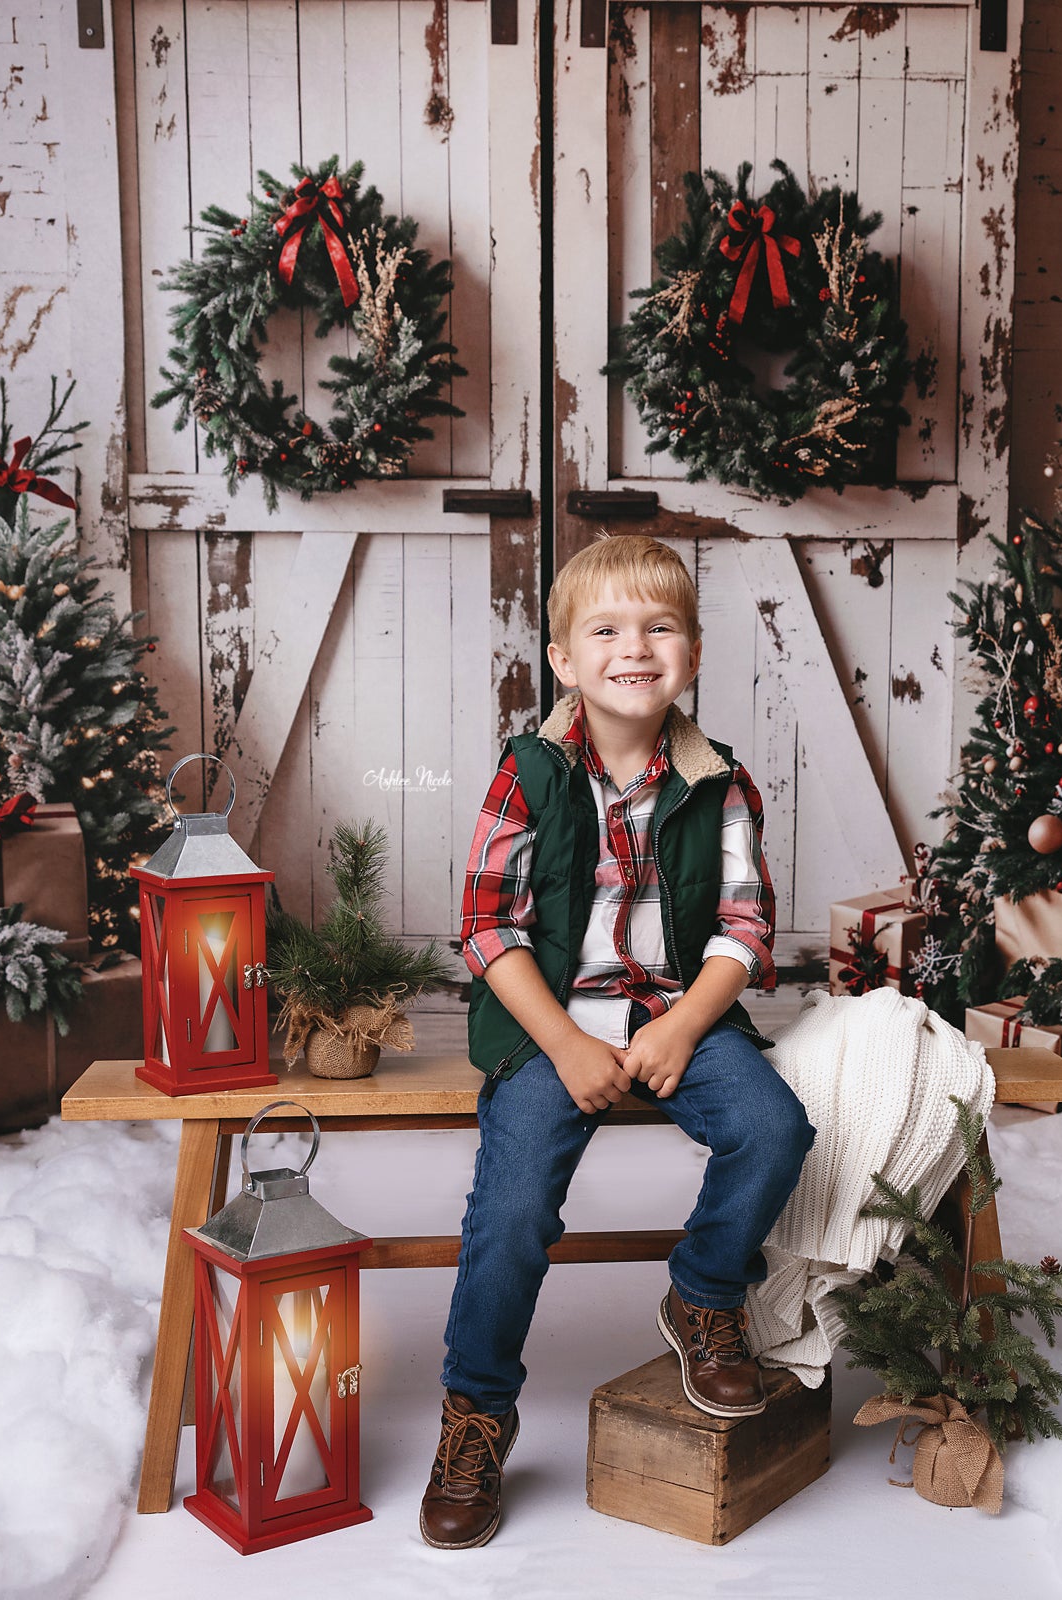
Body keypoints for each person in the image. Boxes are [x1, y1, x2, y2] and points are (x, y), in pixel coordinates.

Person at [420, 534, 816, 1550]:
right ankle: (475, 1412)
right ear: (562, 659)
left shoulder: (718, 781)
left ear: (690, 650)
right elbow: (486, 927)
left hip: (676, 1011)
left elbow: (741, 929)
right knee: (508, 1209)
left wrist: (685, 1023)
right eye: (604, 629)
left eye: (657, 627)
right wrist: (560, 1044)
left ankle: (702, 1292)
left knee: (772, 1128)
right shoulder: (530, 773)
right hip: (549, 1020)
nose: (631, 647)